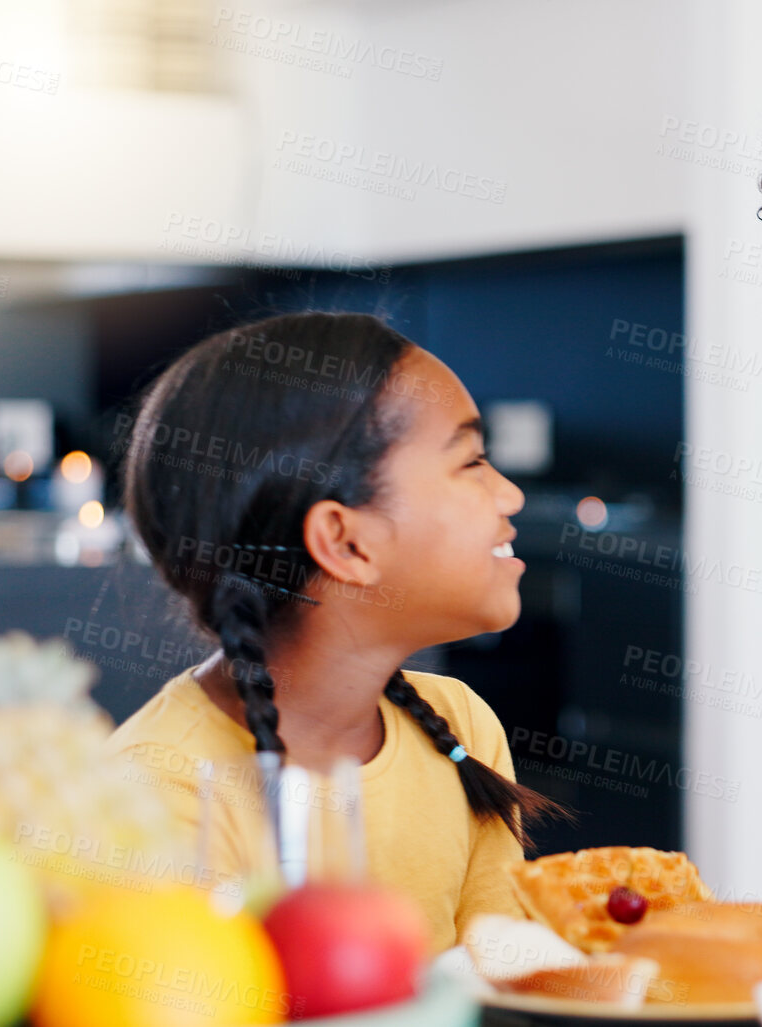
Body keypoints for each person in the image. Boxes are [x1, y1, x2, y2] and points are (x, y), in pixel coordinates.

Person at [107, 312, 561, 948]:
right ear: (345, 541)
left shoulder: (461, 723)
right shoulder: (155, 798)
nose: (510, 495)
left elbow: (498, 985)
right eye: (472, 462)